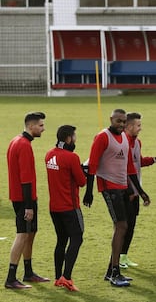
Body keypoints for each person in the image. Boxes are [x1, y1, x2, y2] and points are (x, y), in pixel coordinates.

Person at [83, 109, 149, 287]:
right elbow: (93, 164)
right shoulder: (103, 137)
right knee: (121, 226)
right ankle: (114, 272)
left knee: (124, 226)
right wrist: (89, 191)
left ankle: (111, 270)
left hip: (123, 187)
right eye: (118, 121)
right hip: (109, 187)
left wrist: (139, 191)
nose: (120, 124)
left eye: (123, 122)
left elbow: (129, 168)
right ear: (111, 119)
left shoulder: (125, 139)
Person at [5, 112, 50, 289]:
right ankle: (10, 278)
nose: (43, 128)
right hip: (24, 200)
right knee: (23, 235)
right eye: (40, 125)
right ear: (31, 126)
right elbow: (26, 179)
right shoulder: (23, 145)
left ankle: (28, 273)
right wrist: (29, 206)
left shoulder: (16, 141)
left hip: (21, 198)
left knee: (30, 235)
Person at [45, 125, 86, 292]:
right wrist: (85, 171)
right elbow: (82, 182)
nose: (75, 139)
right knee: (77, 238)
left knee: (61, 240)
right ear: (68, 138)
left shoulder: (49, 155)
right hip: (70, 207)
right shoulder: (71, 157)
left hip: (54, 207)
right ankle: (67, 277)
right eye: (74, 136)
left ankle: (57, 278)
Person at [122, 112, 156, 268]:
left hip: (134, 190)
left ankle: (123, 256)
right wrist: (139, 192)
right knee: (124, 225)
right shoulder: (124, 143)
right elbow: (127, 170)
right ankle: (118, 257)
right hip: (125, 191)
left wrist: (153, 160)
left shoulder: (137, 142)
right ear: (129, 126)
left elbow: (138, 161)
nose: (140, 128)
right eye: (138, 125)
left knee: (131, 224)